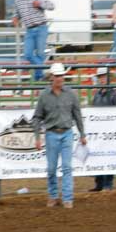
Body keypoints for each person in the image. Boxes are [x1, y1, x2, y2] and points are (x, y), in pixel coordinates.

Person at [32, 63, 87, 209]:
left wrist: (82, 134)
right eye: (57, 76)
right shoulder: (44, 96)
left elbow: (77, 115)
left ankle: (67, 198)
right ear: (52, 77)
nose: (59, 78)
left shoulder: (71, 94)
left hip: (67, 133)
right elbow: (37, 117)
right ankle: (53, 196)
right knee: (51, 168)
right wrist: (37, 137)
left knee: (67, 167)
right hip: (51, 134)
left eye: (61, 75)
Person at [12, 0, 54, 82]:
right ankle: (42, 71)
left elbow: (51, 6)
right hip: (29, 29)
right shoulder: (18, 0)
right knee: (28, 54)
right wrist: (15, 18)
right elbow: (17, 13)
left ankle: (38, 78)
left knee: (40, 54)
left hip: (41, 27)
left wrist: (40, 4)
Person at [89, 67, 116, 192]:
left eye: (104, 77)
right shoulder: (97, 95)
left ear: (108, 78)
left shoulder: (113, 94)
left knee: (109, 156)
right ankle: (99, 183)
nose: (102, 79)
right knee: (98, 157)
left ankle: (108, 183)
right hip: (99, 131)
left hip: (110, 131)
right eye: (100, 77)